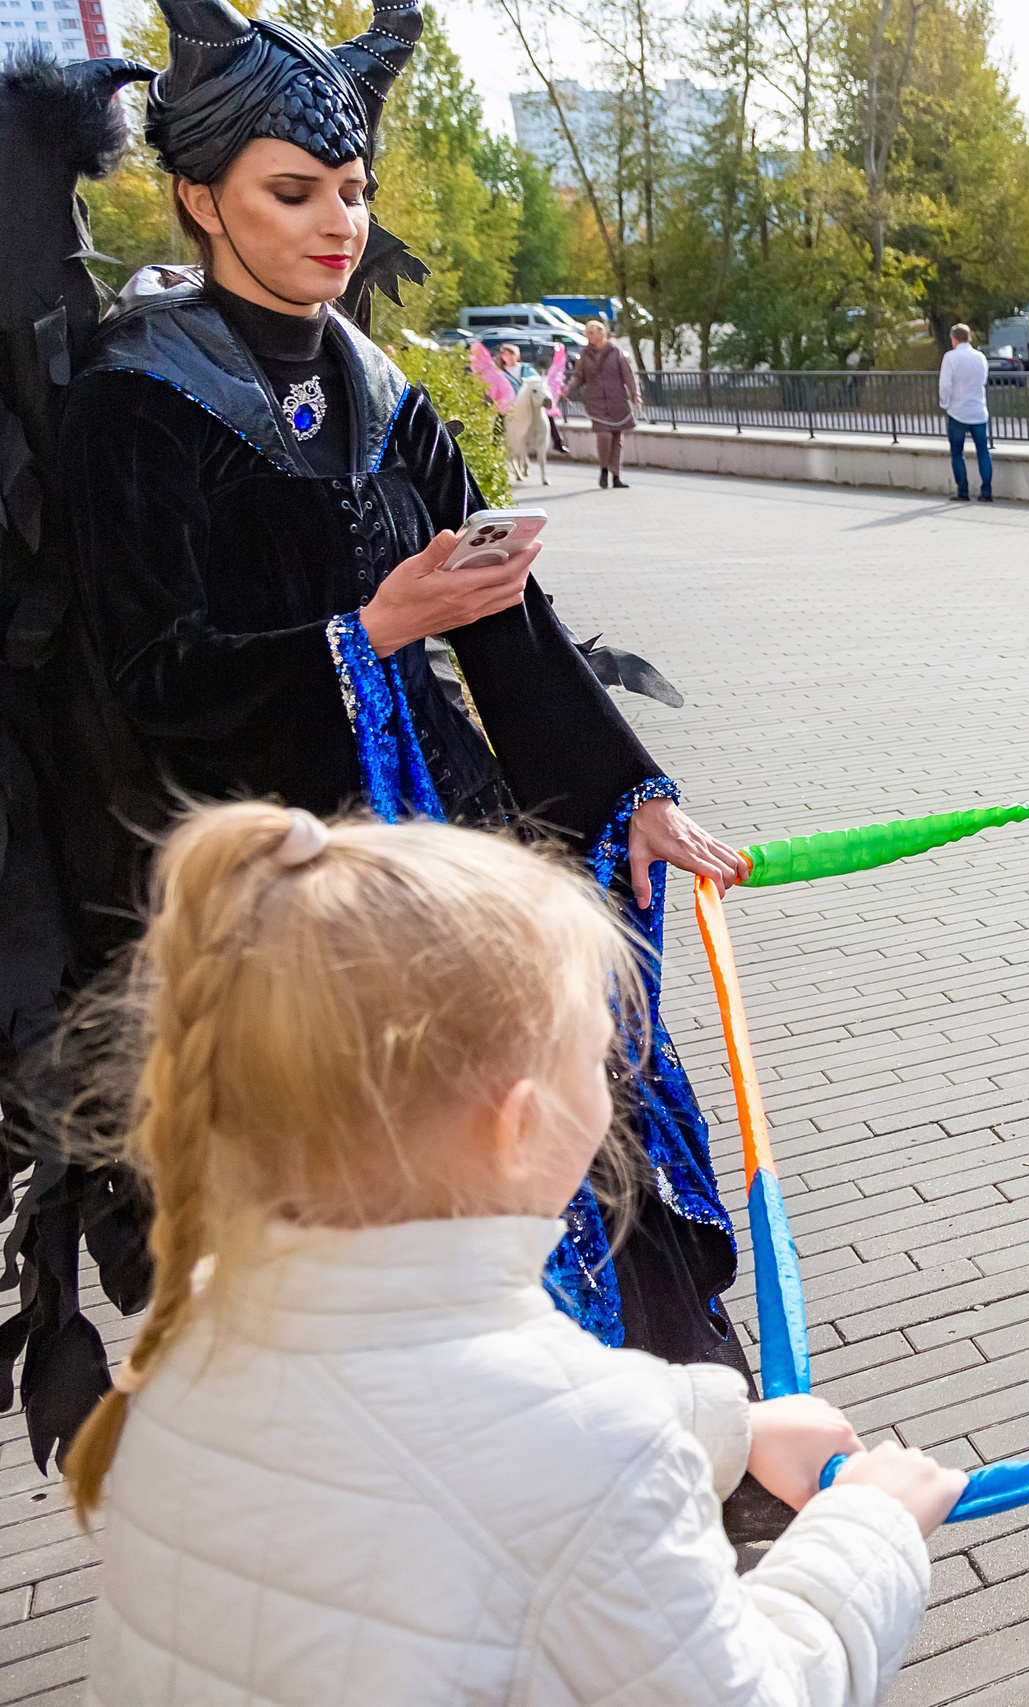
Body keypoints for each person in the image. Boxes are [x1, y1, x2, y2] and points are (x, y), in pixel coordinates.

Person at [53, 0, 752, 1412]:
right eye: (294, 192)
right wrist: (363, 633)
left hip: (450, 849)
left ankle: (683, 1436)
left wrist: (632, 788)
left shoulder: (384, 388)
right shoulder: (135, 401)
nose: (338, 225)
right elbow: (151, 680)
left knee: (569, 1124)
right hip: (279, 895)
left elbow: (506, 619)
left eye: (355, 190)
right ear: (199, 196)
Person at [67, 802, 964, 1705]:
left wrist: (719, 1425)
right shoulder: (592, 1455)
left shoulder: (201, 1344)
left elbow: (448, 1431)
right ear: (522, 1123)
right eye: (601, 1058)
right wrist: (871, 1530)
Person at [571, 317, 639, 489]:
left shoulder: (616, 352)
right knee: (604, 435)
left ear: (601, 333)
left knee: (617, 438)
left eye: (591, 333)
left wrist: (635, 394)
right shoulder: (584, 355)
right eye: (587, 333)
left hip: (617, 399)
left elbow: (627, 375)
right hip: (595, 401)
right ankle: (603, 470)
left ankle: (616, 476)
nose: (588, 336)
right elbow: (579, 376)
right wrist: (568, 387)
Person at [940, 322, 991, 502]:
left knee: (957, 452)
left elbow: (945, 384)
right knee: (983, 452)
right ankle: (987, 491)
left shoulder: (950, 357)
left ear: (954, 339)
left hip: (958, 411)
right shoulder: (980, 357)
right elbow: (983, 380)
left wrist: (945, 403)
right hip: (978, 410)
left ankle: (963, 491)